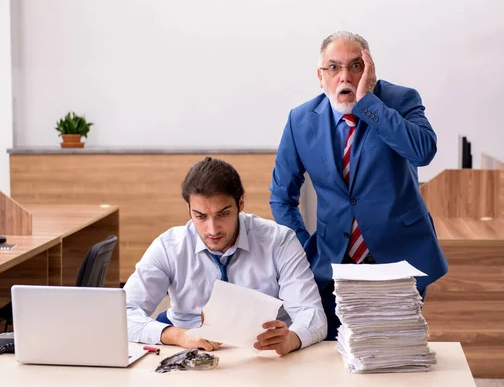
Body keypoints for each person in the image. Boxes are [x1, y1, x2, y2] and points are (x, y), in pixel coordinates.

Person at [269, 31, 448, 340]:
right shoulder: (301, 120)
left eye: (355, 66)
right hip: (333, 261)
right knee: (330, 351)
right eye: (334, 67)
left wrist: (369, 102)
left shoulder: (401, 100)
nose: (345, 76)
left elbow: (423, 152)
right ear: (320, 76)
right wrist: (304, 250)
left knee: (392, 352)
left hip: (399, 257)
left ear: (370, 70)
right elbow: (282, 197)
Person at [124, 157, 327, 355]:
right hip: (188, 354)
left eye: (223, 214)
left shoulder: (279, 241)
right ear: (189, 210)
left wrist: (292, 338)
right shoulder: (168, 247)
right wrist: (179, 336)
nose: (212, 229)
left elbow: (312, 314)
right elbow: (121, 315)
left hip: (263, 358)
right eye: (200, 216)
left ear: (240, 203)